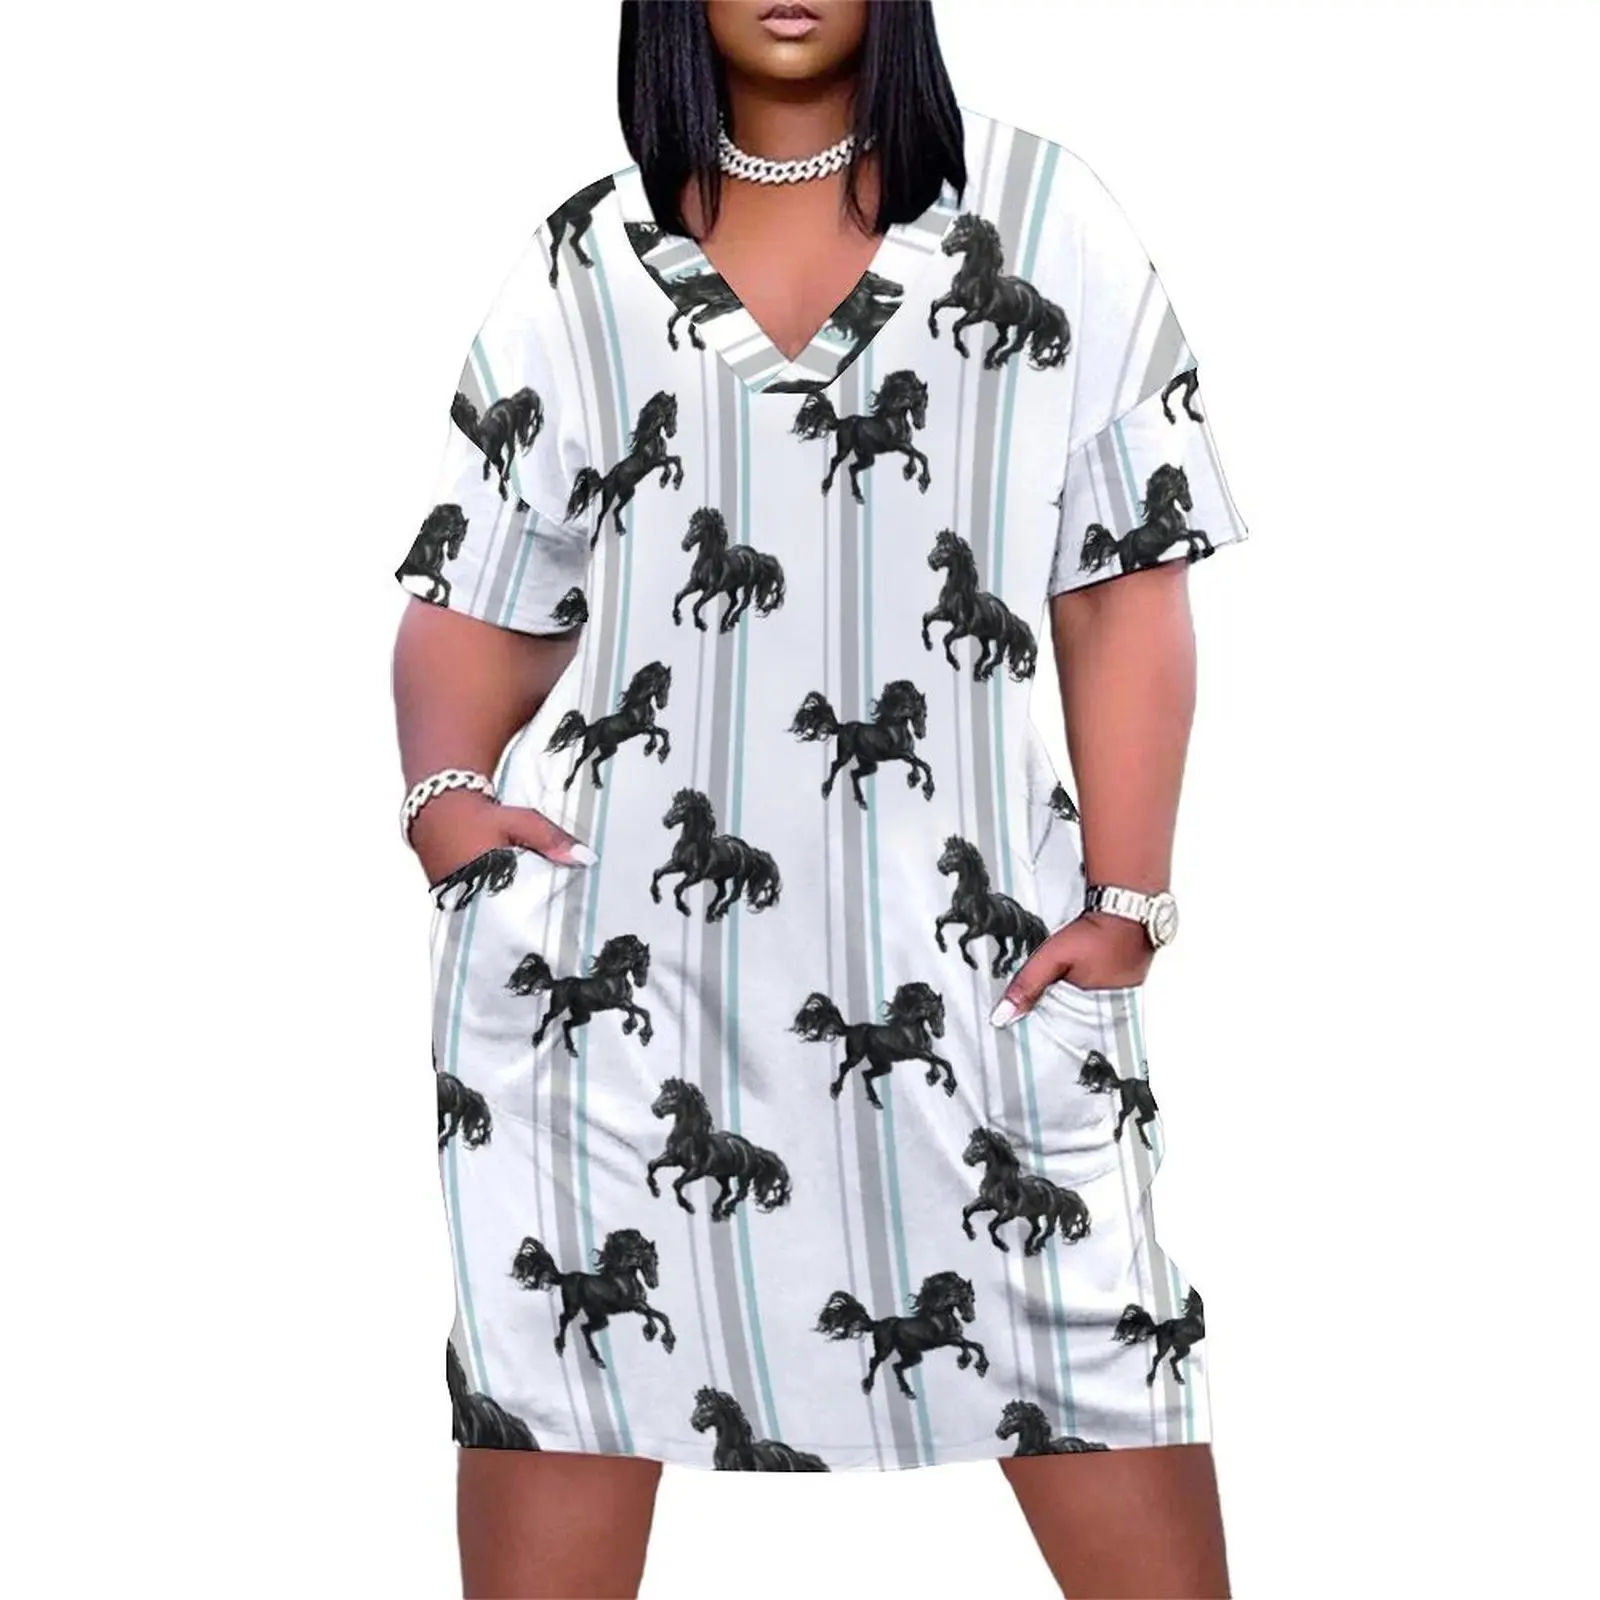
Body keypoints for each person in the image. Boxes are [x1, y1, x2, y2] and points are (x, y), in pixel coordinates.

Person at [392, 2, 1249, 1594]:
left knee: (1111, 1379)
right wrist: (445, 797)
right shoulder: (584, 261)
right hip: (615, 1014)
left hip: (976, 982)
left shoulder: (1049, 221)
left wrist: (1127, 899)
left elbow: (1124, 587)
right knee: (556, 1405)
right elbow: (479, 591)